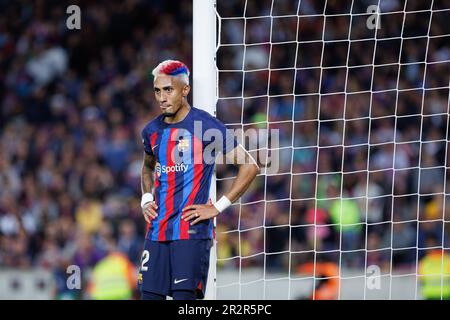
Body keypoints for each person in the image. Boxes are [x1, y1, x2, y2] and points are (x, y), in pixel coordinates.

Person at [138, 60, 259, 300]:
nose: (161, 97)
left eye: (168, 89)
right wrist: (146, 198)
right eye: (157, 90)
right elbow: (146, 168)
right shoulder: (151, 131)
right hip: (156, 232)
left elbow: (250, 166)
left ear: (185, 90)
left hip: (190, 233)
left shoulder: (204, 125)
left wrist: (217, 207)